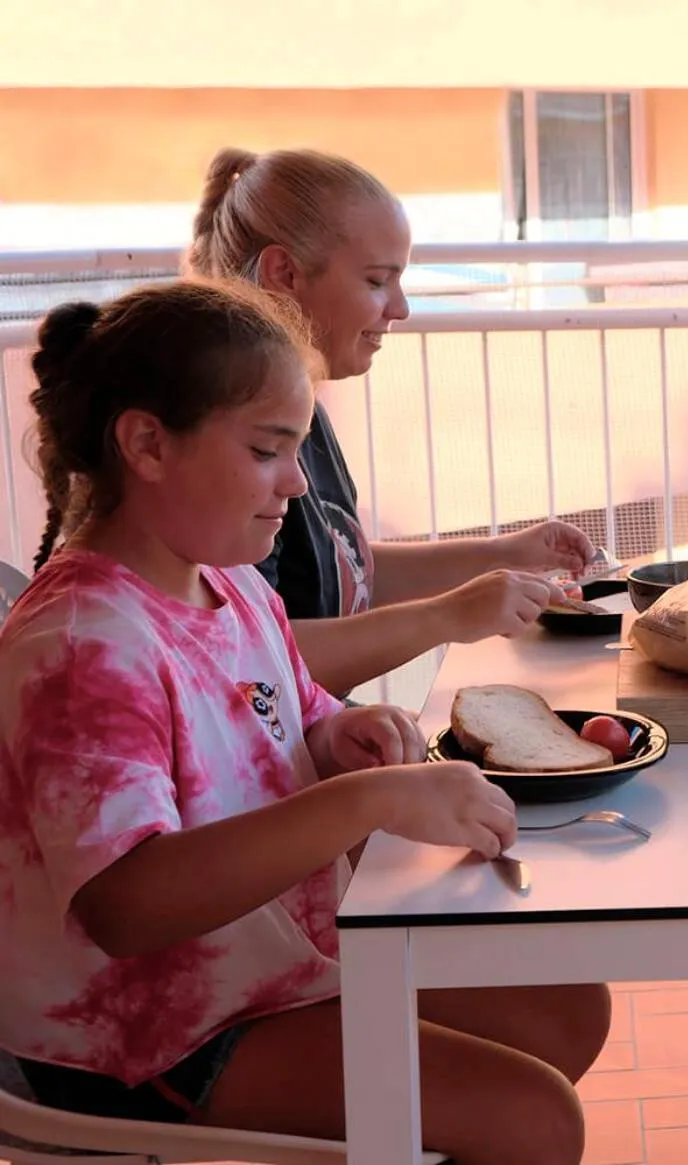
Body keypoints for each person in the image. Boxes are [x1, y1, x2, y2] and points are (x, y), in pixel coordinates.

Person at [0, 282, 608, 1165]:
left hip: (264, 957)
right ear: (145, 444)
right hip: (143, 1030)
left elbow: (289, 713)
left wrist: (336, 743)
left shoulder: (229, 579)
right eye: (266, 450)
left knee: (564, 1005)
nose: (295, 480)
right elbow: (125, 906)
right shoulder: (84, 643)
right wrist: (363, 802)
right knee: (532, 1121)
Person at [176, 146, 596, 694]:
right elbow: (244, 655)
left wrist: (506, 554)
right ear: (285, 273)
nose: (399, 308)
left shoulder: (302, 416)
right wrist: (445, 617)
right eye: (377, 281)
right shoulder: (228, 437)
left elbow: (343, 566)